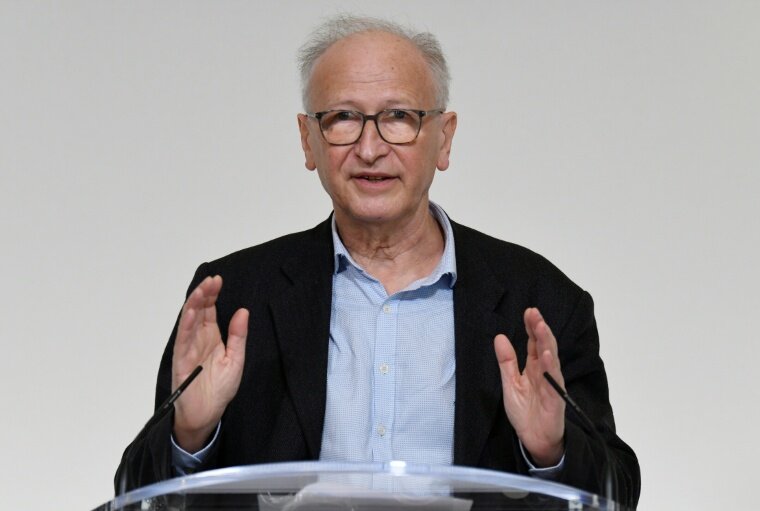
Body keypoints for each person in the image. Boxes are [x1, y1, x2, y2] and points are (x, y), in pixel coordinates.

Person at [116, 15, 640, 507]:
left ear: (444, 138)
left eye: (398, 117)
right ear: (308, 141)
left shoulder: (541, 302)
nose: (370, 148)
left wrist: (552, 453)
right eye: (342, 118)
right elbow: (134, 489)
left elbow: (619, 490)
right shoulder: (235, 297)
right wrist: (189, 435)